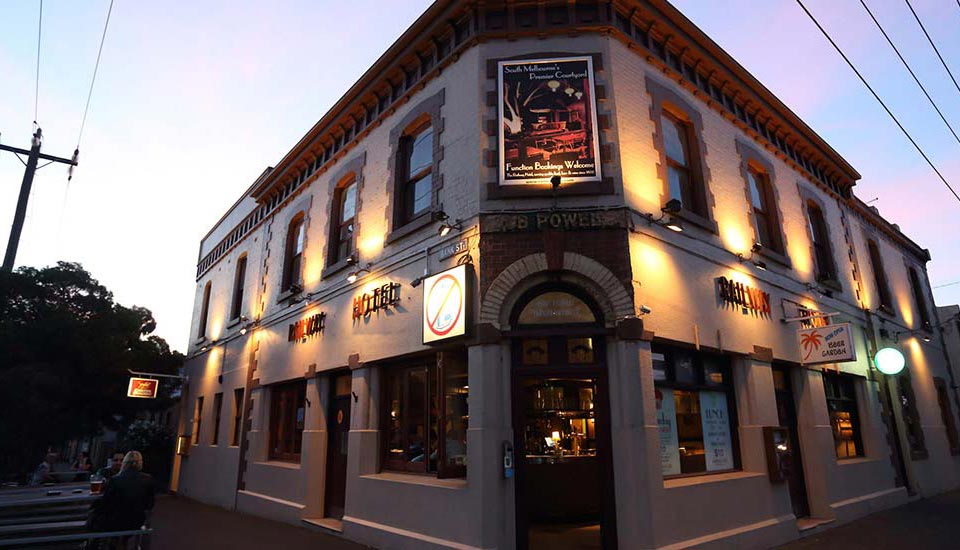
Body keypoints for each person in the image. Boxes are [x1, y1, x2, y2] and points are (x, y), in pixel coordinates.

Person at [88, 451, 155, 549]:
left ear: (125, 462)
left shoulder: (115, 480)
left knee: (95, 519)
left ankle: (93, 543)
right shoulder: (148, 479)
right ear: (140, 462)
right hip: (136, 521)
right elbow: (150, 504)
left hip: (115, 521)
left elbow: (106, 503)